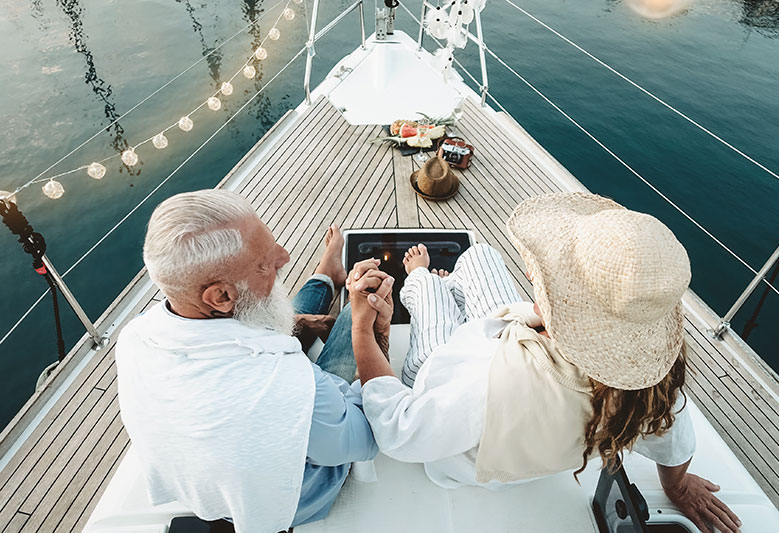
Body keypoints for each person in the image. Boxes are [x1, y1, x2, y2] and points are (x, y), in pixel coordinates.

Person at [348, 192, 742, 533]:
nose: (532, 270)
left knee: (429, 293)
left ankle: (424, 279)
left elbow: (401, 428)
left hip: (450, 370)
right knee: (480, 255)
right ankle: (446, 282)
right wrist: (677, 486)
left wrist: (363, 330)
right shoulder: (650, 384)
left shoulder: (491, 384)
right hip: (514, 332)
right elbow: (675, 440)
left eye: (553, 278)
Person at [115, 189, 377, 533]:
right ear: (220, 296)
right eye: (266, 262)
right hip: (297, 499)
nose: (283, 257)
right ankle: (345, 294)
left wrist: (296, 327)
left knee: (274, 309)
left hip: (212, 496)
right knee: (353, 314)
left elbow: (260, 333)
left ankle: (326, 276)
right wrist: (364, 330)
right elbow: (363, 442)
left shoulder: (136, 335)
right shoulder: (286, 381)